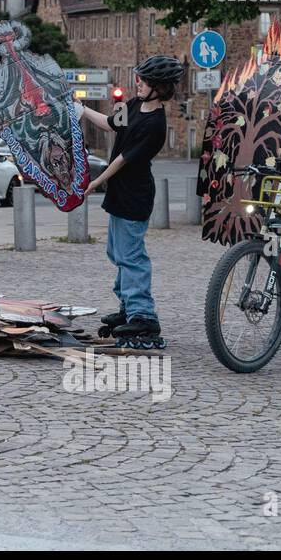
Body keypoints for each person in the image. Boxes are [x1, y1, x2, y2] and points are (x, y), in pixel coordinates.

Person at [80, 55, 184, 348]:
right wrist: (83, 110)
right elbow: (112, 124)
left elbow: (124, 159)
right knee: (117, 252)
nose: (138, 82)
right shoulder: (136, 106)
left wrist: (97, 181)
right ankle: (128, 306)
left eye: (144, 79)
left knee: (132, 255)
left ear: (158, 87)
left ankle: (143, 315)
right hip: (120, 194)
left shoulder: (155, 124)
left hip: (135, 194)